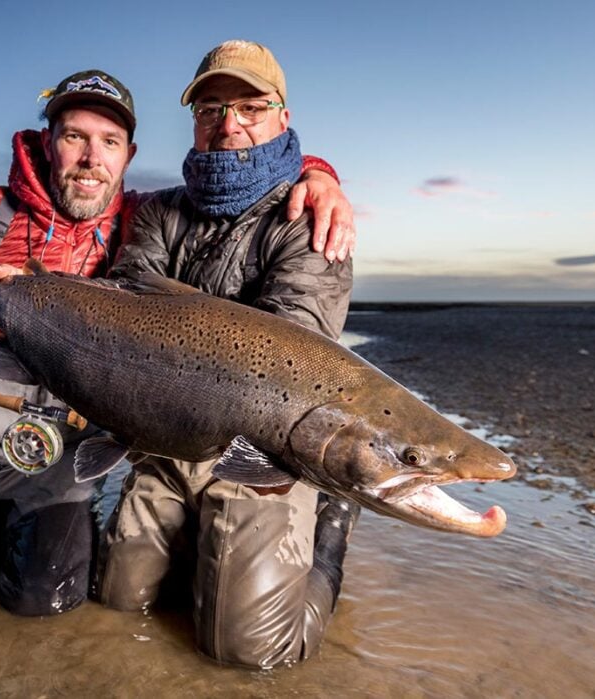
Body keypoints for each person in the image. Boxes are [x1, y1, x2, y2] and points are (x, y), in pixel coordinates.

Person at [0, 67, 355, 617]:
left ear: (128, 154)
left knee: (42, 606)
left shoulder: (140, 218)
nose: (93, 158)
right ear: (47, 142)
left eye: (109, 142)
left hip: (58, 457)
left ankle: (1, 535)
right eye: (75, 137)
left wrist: (318, 175)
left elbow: (241, 166)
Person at [95, 40, 361, 668]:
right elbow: (129, 307)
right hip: (166, 439)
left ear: (282, 119)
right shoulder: (159, 211)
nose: (229, 124)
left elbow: (280, 357)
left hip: (263, 450)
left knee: (246, 652)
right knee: (114, 604)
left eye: (251, 106)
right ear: (194, 120)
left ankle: (331, 527)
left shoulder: (310, 218)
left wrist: (319, 175)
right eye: (211, 108)